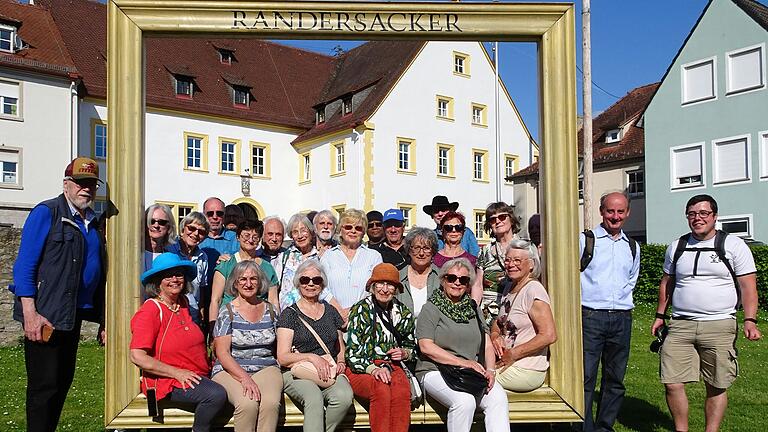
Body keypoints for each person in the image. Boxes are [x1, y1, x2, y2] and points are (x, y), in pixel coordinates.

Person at [10, 157, 106, 432]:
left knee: (62, 381)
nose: (85, 189)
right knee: (44, 387)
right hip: (46, 314)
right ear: (66, 185)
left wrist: (102, 317)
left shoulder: (92, 222)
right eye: (79, 183)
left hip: (71, 315)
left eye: (90, 184)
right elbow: (25, 265)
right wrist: (30, 313)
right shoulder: (48, 212)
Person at [651, 194, 761, 432]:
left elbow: (749, 287)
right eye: (692, 214)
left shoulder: (733, 245)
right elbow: (667, 283)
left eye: (703, 213)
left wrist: (750, 320)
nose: (697, 218)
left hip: (719, 325)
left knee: (716, 384)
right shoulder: (677, 246)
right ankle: (681, 429)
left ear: (714, 216)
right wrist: (660, 315)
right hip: (680, 325)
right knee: (671, 382)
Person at [130, 253, 227, 432]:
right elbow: (137, 355)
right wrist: (176, 373)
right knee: (216, 395)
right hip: (168, 381)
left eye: (179, 274)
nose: (174, 279)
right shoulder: (151, 310)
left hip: (197, 374)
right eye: (168, 275)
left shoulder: (182, 304)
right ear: (157, 281)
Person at [416, 258, 509, 432]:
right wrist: (463, 362)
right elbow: (426, 346)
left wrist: (490, 370)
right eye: (452, 278)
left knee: (498, 397)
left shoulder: (473, 308)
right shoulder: (431, 308)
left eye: (463, 280)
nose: (457, 283)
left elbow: (487, 344)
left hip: (469, 372)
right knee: (464, 402)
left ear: (468, 284)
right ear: (443, 280)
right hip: (435, 370)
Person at [579, 191, 640, 432]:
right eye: (610, 211)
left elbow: (631, 281)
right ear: (602, 211)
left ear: (627, 213)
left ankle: (605, 427)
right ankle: (583, 427)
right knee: (585, 377)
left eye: (620, 211)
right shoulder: (586, 240)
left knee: (615, 379)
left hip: (622, 319)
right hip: (591, 316)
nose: (615, 216)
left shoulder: (633, 246)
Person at [276, 260, 354, 432]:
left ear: (322, 284)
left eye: (316, 280)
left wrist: (341, 360)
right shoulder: (289, 315)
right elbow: (282, 357)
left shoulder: (330, 311)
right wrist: (312, 357)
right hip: (297, 370)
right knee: (313, 397)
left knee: (344, 397)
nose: (310, 284)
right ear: (298, 283)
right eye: (305, 280)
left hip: (328, 368)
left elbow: (339, 342)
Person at [212, 261, 282, 432]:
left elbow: (279, 344)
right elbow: (222, 352)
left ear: (260, 282)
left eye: (253, 279)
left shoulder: (271, 310)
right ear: (235, 283)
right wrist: (244, 378)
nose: (248, 284)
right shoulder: (227, 312)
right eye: (242, 279)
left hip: (266, 366)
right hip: (230, 367)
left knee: (271, 404)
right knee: (247, 404)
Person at [345, 263, 416, 432]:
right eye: (380, 284)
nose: (384, 289)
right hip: (362, 367)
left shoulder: (402, 311)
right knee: (381, 388)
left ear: (396, 288)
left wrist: (405, 353)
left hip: (392, 365)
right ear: (373, 286)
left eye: (390, 284)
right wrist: (373, 369)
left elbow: (412, 346)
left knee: (401, 390)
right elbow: (352, 354)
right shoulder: (361, 310)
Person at [491, 240, 556, 392]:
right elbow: (499, 322)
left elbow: (549, 335)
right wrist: (495, 336)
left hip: (526, 369)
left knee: (476, 380)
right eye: (507, 260)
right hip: (506, 363)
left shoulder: (533, 290)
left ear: (531, 264)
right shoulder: (509, 286)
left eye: (517, 260)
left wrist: (513, 354)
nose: (511, 264)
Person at [209, 220, 279, 329]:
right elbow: (215, 299)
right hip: (230, 322)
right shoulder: (225, 265)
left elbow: (273, 301)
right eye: (246, 235)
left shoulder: (267, 268)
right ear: (238, 237)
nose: (250, 240)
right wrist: (213, 327)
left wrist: (276, 326)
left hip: (260, 323)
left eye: (255, 237)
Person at [321, 209, 383, 321]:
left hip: (364, 318)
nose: (353, 231)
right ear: (340, 229)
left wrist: (353, 311)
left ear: (363, 232)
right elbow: (321, 287)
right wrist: (339, 310)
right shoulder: (328, 256)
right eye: (348, 227)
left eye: (358, 228)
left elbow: (376, 289)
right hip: (332, 317)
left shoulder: (374, 256)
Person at [272, 213, 334, 312]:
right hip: (287, 316)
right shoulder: (283, 258)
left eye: (303, 231)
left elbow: (326, 288)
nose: (300, 236)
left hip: (314, 315)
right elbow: (274, 291)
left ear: (311, 232)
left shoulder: (320, 257)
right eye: (295, 232)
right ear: (291, 236)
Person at [476, 202, 521, 321]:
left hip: (517, 307)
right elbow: (478, 284)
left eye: (502, 217)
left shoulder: (524, 247)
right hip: (488, 311)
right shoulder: (485, 251)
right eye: (492, 219)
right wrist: (474, 308)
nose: (497, 221)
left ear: (511, 219)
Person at [166, 212, 210, 325]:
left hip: (193, 317)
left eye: (201, 232)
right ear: (183, 229)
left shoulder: (203, 257)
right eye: (191, 228)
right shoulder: (169, 250)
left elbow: (201, 289)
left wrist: (201, 313)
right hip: (172, 313)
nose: (195, 234)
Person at [396, 227, 441, 319]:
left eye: (426, 248)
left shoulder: (442, 278)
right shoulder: (398, 277)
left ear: (433, 251)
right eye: (416, 248)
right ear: (409, 250)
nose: (421, 253)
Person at [143, 203, 177, 273]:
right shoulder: (135, 253)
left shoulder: (170, 257)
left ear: (169, 226)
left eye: (162, 222)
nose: (156, 225)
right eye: (151, 221)